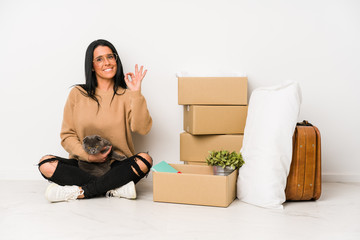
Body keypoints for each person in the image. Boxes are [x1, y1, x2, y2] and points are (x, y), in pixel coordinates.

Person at [38, 39, 153, 203]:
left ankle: (81, 192)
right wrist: (89, 157)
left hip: (116, 167)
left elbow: (142, 128)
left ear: (116, 60)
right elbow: (67, 135)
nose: (107, 62)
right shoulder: (77, 94)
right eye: (99, 59)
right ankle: (114, 188)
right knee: (45, 163)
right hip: (83, 165)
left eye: (110, 57)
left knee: (144, 160)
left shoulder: (128, 95)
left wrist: (136, 93)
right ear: (92, 66)